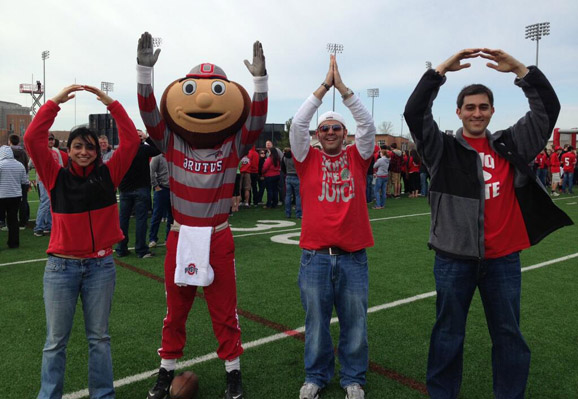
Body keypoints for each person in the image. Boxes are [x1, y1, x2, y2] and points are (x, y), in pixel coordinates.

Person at [404, 48, 573, 399]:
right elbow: (415, 112)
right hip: (453, 259)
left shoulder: (511, 144)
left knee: (509, 336)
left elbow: (547, 110)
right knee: (447, 335)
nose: (476, 112)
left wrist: (522, 72)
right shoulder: (441, 149)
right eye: (470, 107)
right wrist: (439, 73)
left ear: (492, 111)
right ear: (459, 112)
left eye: (483, 107)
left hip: (504, 261)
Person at [136, 32, 268, 399]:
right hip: (181, 235)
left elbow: (255, 121)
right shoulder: (172, 143)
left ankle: (233, 374)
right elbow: (149, 115)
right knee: (175, 313)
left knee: (225, 312)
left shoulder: (232, 145)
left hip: (218, 236)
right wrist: (143, 74)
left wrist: (260, 82)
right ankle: (165, 373)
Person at [24, 84, 140, 399]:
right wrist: (54, 104)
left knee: (99, 339)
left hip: (100, 266)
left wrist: (113, 104)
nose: (84, 152)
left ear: (98, 150)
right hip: (61, 268)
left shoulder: (109, 174)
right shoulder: (54, 175)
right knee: (55, 342)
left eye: (90, 147)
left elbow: (131, 140)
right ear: (69, 148)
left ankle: (103, 395)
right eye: (78, 146)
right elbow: (32, 139)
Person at [290, 55, 375, 399]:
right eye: (324, 128)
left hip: (353, 256)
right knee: (316, 325)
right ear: (317, 134)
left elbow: (367, 126)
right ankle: (316, 376)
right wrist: (325, 87)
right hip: (315, 257)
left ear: (344, 133)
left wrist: (345, 90)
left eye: (335, 128)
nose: (328, 132)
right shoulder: (305, 158)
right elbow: (298, 125)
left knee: (355, 324)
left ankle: (352, 378)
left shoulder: (358, 155)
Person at [115, 129, 160, 258]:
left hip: (125, 189)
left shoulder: (122, 149)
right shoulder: (143, 149)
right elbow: (159, 148)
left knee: (123, 220)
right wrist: (146, 138)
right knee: (141, 220)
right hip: (141, 188)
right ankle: (141, 250)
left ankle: (121, 248)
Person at [33, 133, 63, 236]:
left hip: (54, 180)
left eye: (52, 139)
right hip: (44, 180)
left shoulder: (56, 151)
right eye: (49, 139)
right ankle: (38, 227)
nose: (51, 141)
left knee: (51, 203)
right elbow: (33, 163)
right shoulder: (41, 151)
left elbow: (60, 165)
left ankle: (48, 226)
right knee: (45, 203)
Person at [0, 145, 29, 248]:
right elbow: (24, 181)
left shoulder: (0, 165)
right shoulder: (19, 165)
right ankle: (14, 243)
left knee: (2, 219)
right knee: (13, 220)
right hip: (15, 196)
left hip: (2, 196)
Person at [149, 153, 174, 248]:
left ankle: (169, 238)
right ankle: (152, 238)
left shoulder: (174, 155)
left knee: (172, 216)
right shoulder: (157, 156)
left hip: (173, 190)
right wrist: (156, 186)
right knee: (157, 214)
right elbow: (151, 171)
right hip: (162, 188)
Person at [9, 134, 31, 228]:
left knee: (10, 202)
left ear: (10, 141)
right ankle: (23, 222)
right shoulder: (23, 153)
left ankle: (10, 222)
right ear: (18, 141)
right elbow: (26, 166)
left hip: (11, 180)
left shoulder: (8, 152)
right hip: (22, 179)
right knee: (23, 201)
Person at [281, 147, 302, 218]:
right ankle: (298, 214)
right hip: (296, 176)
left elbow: (282, 167)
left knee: (288, 196)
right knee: (298, 196)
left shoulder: (284, 157)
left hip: (288, 176)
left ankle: (288, 213)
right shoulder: (295, 157)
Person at [262, 144, 281, 209]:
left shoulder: (270, 159)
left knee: (269, 190)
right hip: (277, 175)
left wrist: (262, 173)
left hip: (269, 176)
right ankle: (275, 203)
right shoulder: (277, 159)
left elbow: (265, 167)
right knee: (275, 190)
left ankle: (269, 204)